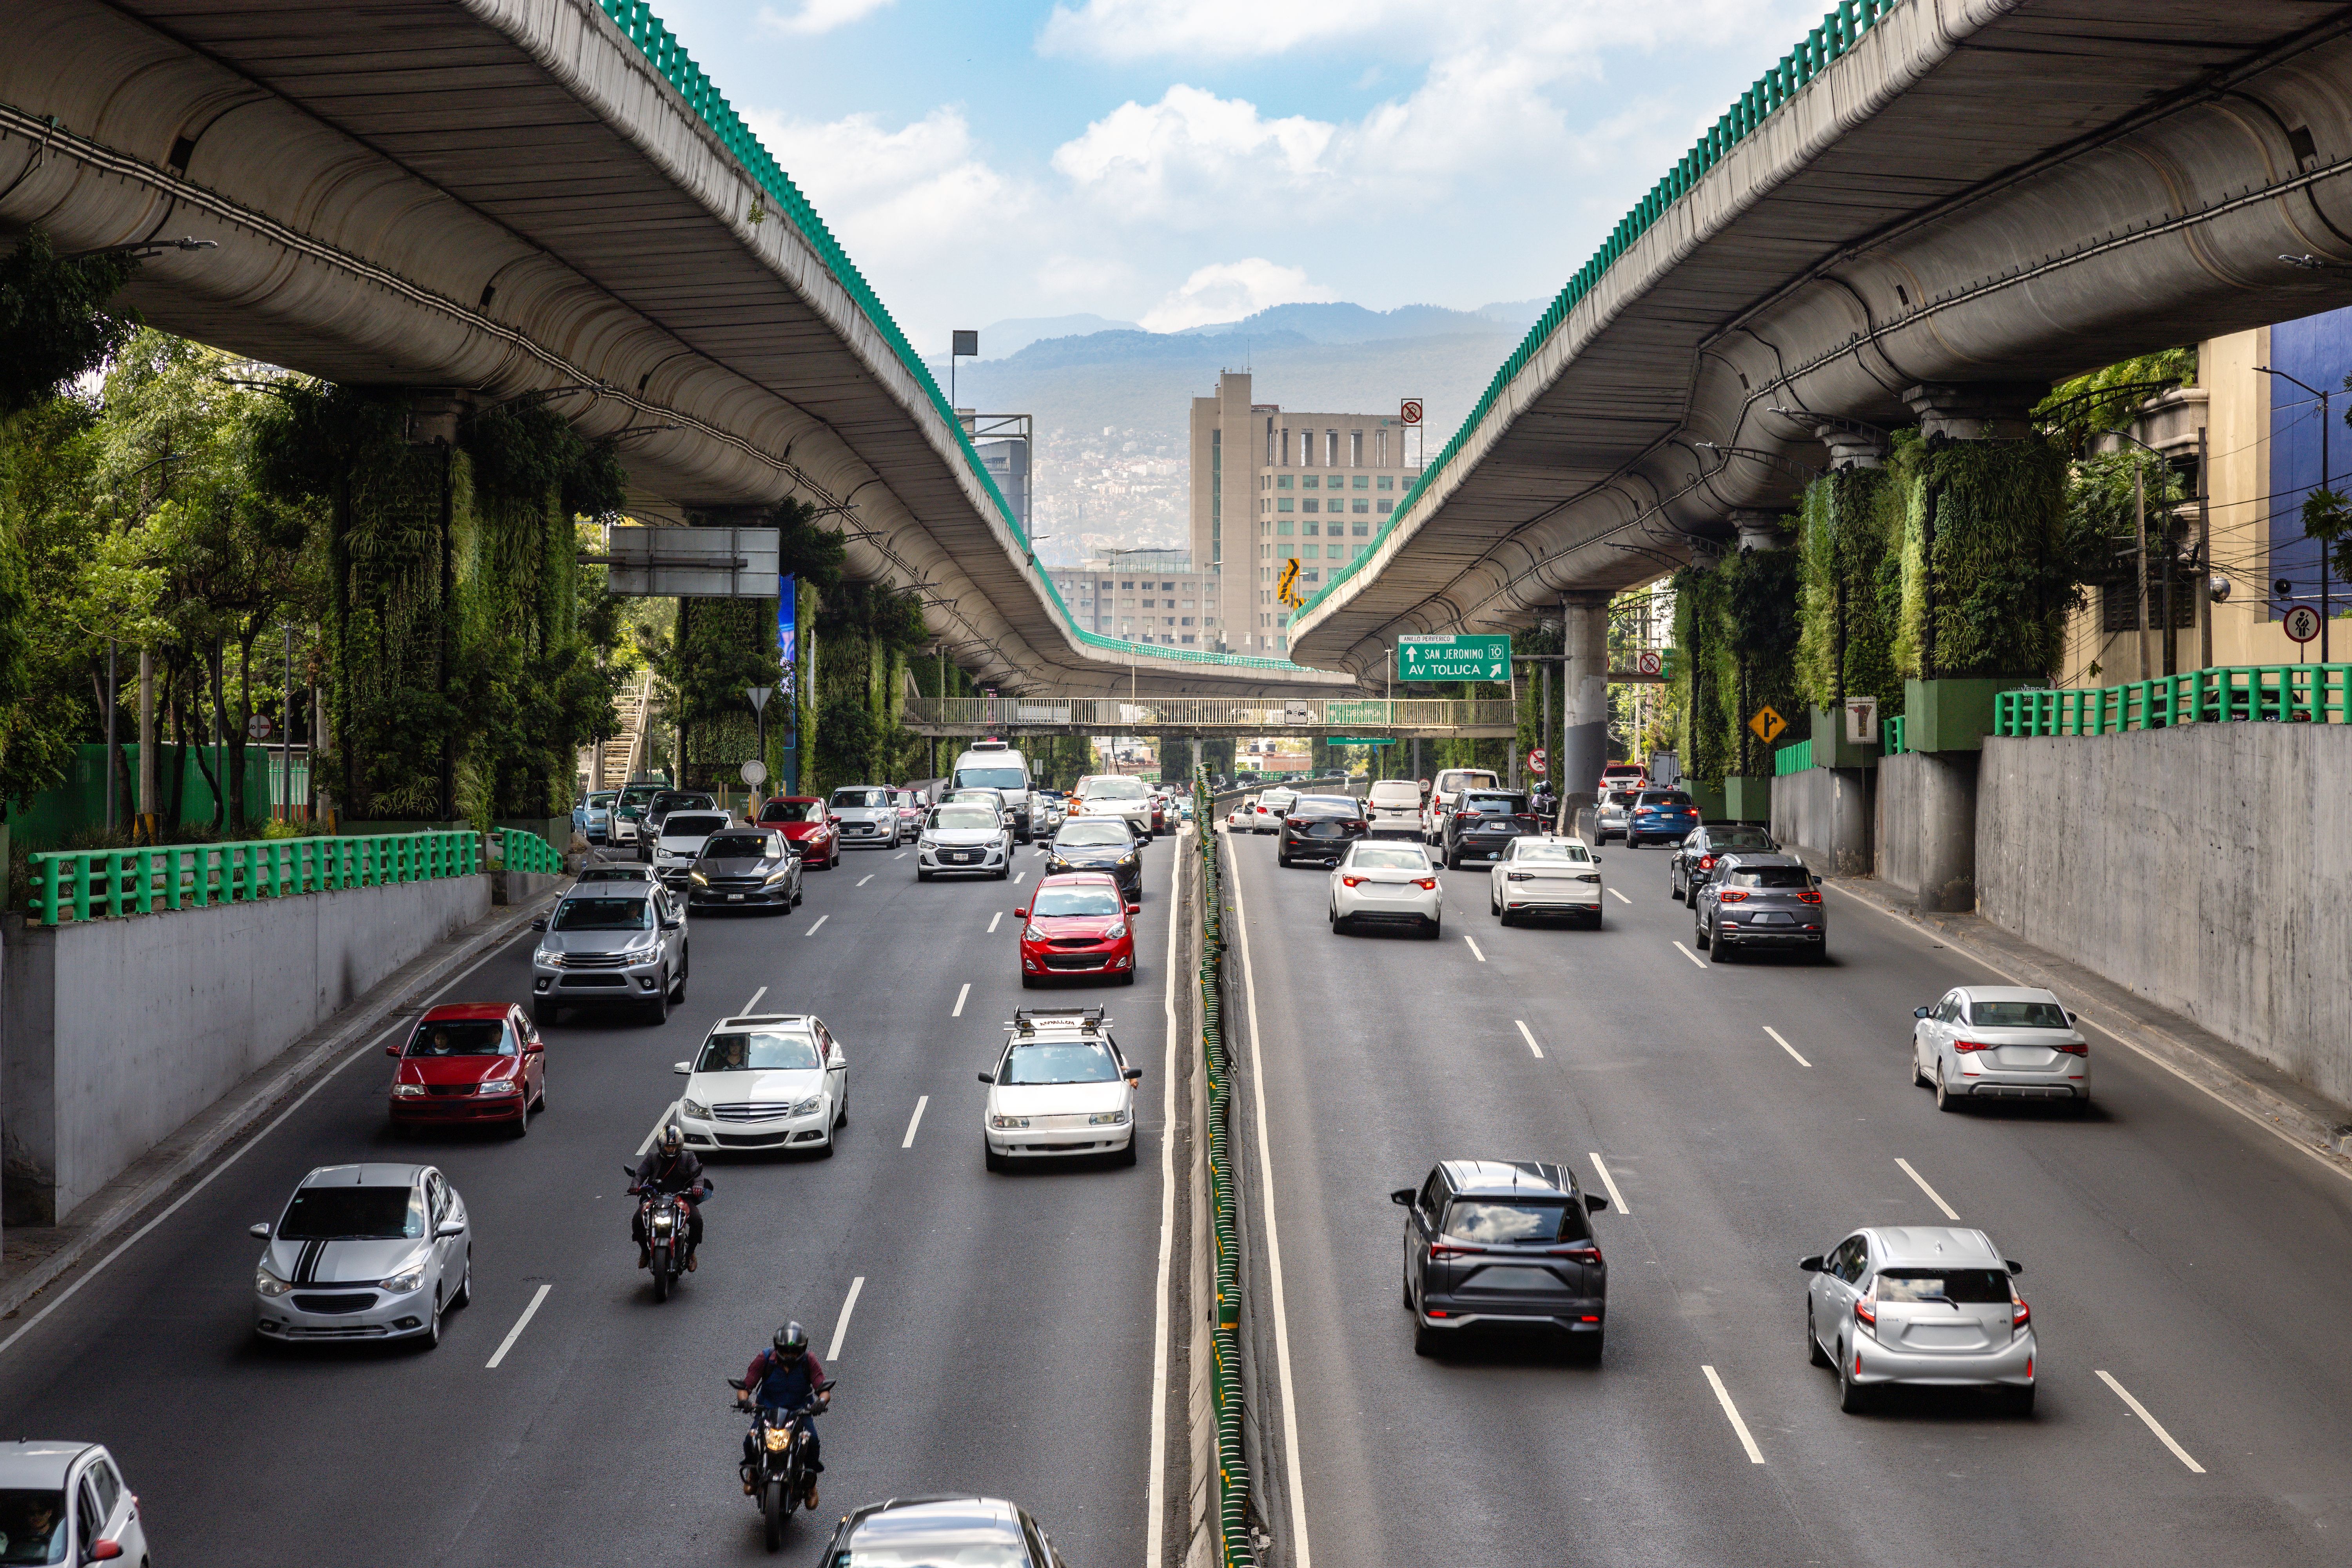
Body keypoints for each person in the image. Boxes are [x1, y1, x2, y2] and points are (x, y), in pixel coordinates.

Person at [737, 1321, 829, 1508]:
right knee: (751, 1440)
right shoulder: (764, 1359)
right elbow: (746, 1386)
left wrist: (820, 1403)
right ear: (777, 1347)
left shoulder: (809, 1361)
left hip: (799, 1412)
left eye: (795, 1352)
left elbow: (823, 1388)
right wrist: (744, 1401)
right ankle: (754, 1471)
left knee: (812, 1443)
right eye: (786, 1351)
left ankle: (812, 1485)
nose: (790, 1356)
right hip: (767, 1411)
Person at [628, 1123, 706, 1269]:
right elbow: (640, 1174)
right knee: (637, 1220)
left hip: (682, 1197)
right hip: (655, 1197)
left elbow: (698, 1175)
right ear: (661, 1146)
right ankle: (645, 1252)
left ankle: (690, 1254)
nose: (672, 1150)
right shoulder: (652, 1158)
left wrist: (697, 1187)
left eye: (675, 1147)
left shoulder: (689, 1157)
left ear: (681, 1146)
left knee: (697, 1220)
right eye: (669, 1147)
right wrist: (635, 1185)